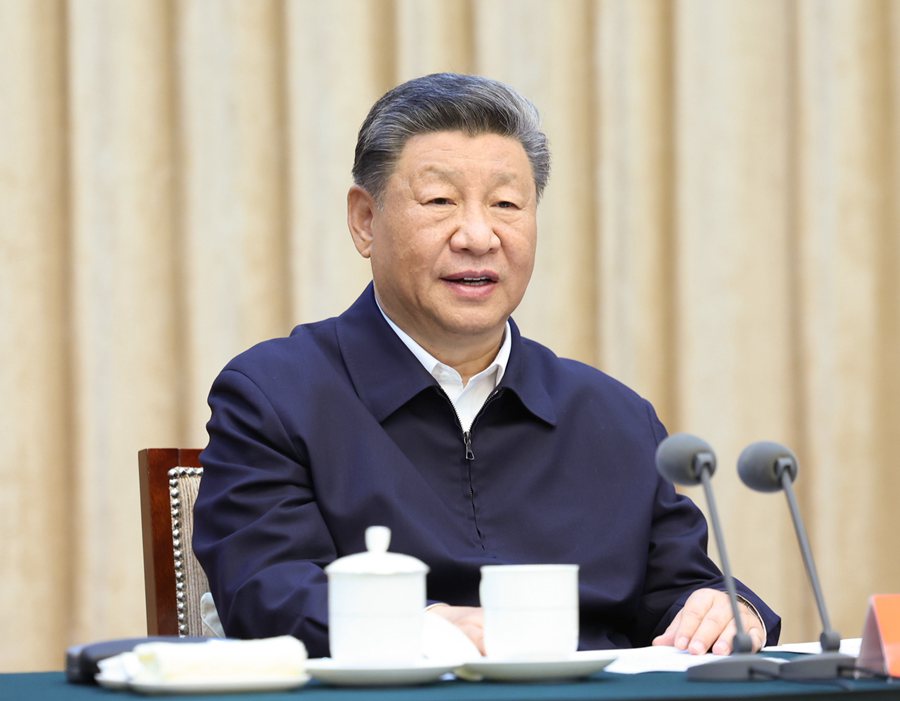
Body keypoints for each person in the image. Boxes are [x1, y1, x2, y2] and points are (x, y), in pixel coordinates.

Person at [193, 72, 780, 659]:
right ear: (365, 221)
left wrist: (729, 610)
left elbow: (680, 590)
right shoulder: (276, 395)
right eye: (441, 201)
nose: (478, 235)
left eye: (506, 204)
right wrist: (423, 631)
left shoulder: (614, 415)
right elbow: (266, 591)